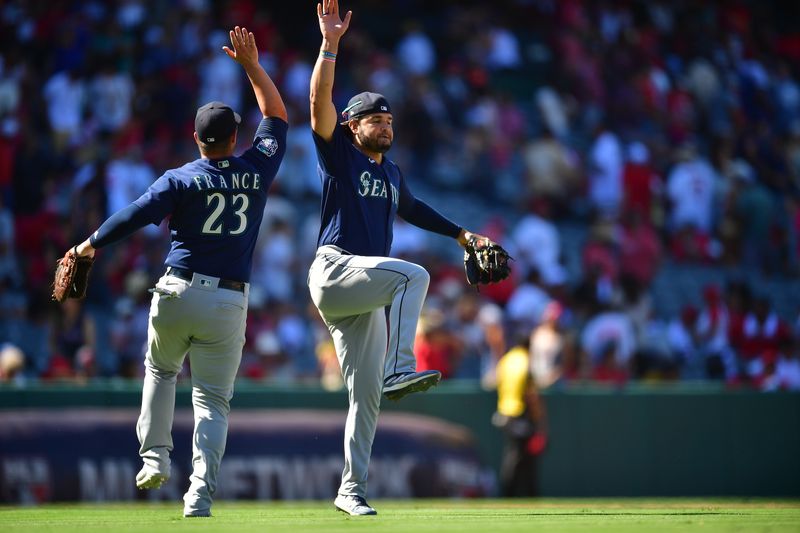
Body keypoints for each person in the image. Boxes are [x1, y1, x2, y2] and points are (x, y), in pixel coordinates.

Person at [64, 27, 288, 518]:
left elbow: (135, 214)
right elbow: (275, 114)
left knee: (160, 370)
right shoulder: (256, 170)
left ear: (196, 138)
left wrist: (88, 244)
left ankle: (152, 459)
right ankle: (199, 496)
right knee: (212, 402)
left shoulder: (180, 178)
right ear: (234, 137)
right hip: (228, 299)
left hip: (177, 288)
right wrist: (251, 66)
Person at [306, 0, 490, 516]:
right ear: (353, 124)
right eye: (374, 119)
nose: (385, 125)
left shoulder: (391, 173)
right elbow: (318, 102)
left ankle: (350, 490)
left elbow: (414, 210)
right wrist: (330, 45)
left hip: (362, 292)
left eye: (388, 118)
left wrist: (462, 235)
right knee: (414, 275)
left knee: (365, 400)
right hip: (335, 268)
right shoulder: (339, 152)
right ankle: (401, 367)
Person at [493, 332, 547, 497]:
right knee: (518, 456)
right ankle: (511, 492)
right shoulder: (525, 362)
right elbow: (531, 394)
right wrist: (540, 423)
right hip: (520, 412)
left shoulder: (506, 359)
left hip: (504, 411)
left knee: (519, 455)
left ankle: (525, 492)